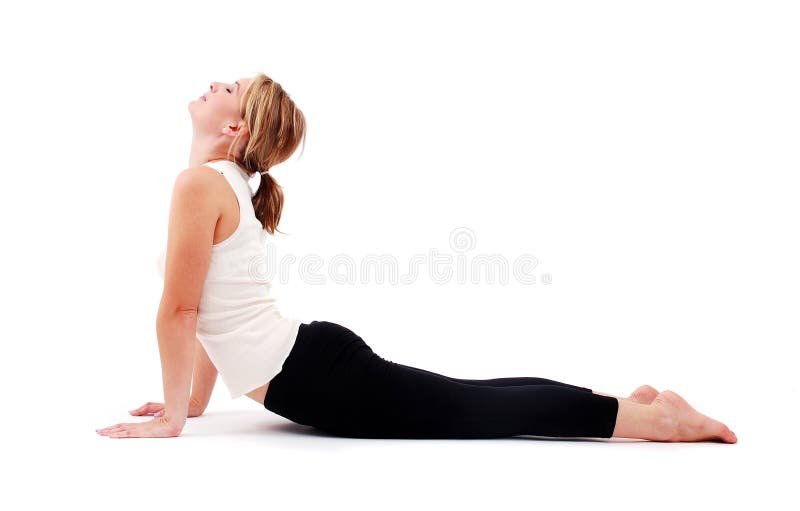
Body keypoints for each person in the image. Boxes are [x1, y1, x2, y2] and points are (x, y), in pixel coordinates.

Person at [96, 73, 737, 443]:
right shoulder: (214, 183)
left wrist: (176, 417)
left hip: (317, 376)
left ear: (235, 129)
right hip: (312, 365)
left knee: (473, 411)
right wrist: (191, 403)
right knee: (467, 398)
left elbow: (181, 310)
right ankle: (625, 403)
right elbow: (204, 308)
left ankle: (653, 421)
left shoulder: (201, 185)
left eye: (226, 87)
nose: (212, 84)